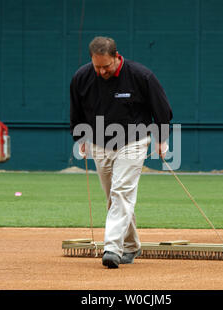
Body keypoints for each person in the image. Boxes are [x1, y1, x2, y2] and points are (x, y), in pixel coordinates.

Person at [70, 36, 173, 268]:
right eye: (97, 66)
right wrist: (80, 137)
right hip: (98, 141)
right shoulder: (82, 78)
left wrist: (162, 139)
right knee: (113, 197)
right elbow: (76, 110)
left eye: (106, 66)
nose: (101, 71)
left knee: (121, 192)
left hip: (133, 141)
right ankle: (131, 245)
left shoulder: (141, 76)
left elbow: (162, 108)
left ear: (117, 57)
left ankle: (112, 249)